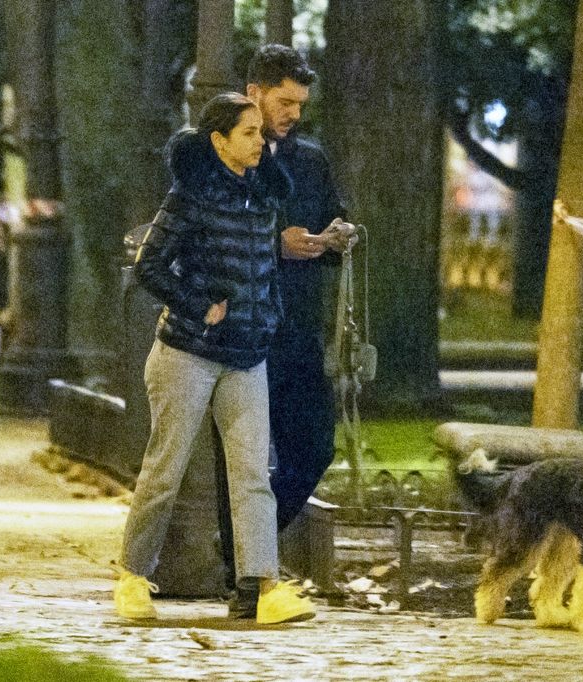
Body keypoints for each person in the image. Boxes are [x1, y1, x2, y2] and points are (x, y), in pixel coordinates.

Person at [114, 92, 315, 625]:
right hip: (188, 354)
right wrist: (200, 306)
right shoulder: (191, 195)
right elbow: (148, 266)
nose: (260, 141)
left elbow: (264, 267)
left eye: (259, 133)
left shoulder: (265, 196)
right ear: (219, 142)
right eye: (248, 133)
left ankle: (264, 587)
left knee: (253, 474)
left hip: (248, 355)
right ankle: (133, 579)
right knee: (166, 469)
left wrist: (266, 316)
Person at [218, 45, 353, 619]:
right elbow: (211, 237)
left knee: (314, 446)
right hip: (243, 325)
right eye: (285, 101)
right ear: (255, 92)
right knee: (245, 456)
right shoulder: (219, 153)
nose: (295, 112)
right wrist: (275, 246)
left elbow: (330, 219)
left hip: (298, 325)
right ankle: (246, 577)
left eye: (301, 103)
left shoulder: (311, 160)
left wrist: (336, 238)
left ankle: (253, 554)